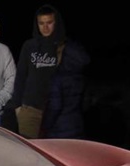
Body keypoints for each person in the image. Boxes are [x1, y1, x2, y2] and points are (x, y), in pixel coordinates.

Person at [10, 5, 87, 139]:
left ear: (56, 23)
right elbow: (21, 76)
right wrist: (18, 106)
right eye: (41, 23)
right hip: (30, 110)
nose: (45, 27)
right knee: (29, 152)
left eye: (49, 23)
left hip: (55, 112)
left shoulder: (65, 47)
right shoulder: (29, 46)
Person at [40, 41, 90, 138]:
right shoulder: (80, 78)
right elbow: (84, 103)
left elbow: (55, 107)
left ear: (67, 57)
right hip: (77, 127)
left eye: (59, 53)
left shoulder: (57, 79)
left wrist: (45, 126)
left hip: (59, 131)